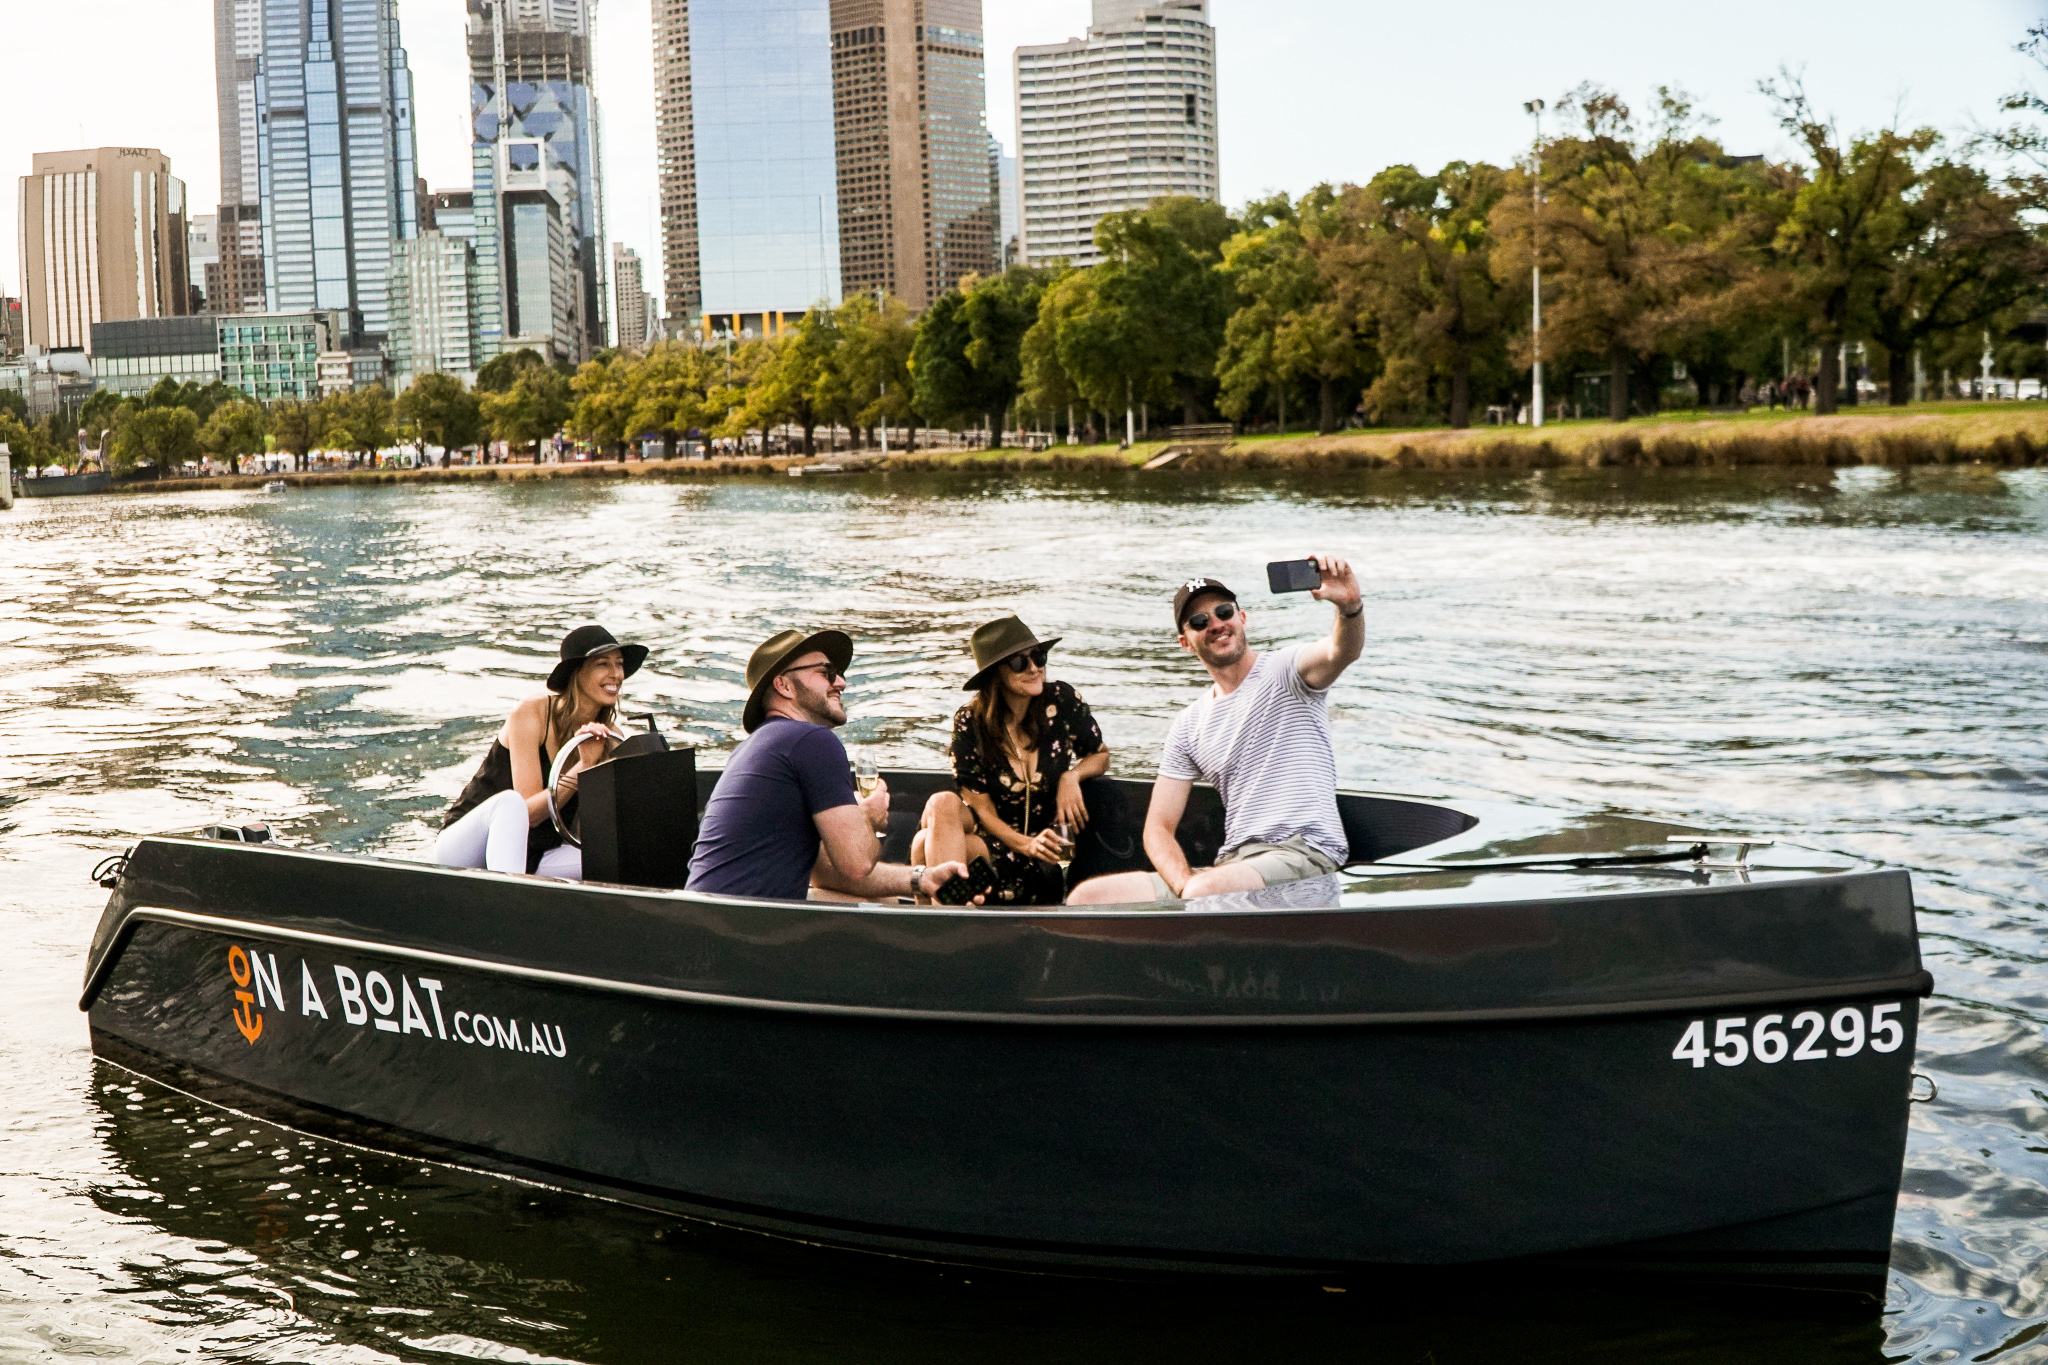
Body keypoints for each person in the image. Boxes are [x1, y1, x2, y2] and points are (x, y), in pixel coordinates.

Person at [1067, 556, 1363, 906]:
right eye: (1199, 620)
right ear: (1185, 642)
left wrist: (1349, 607)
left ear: (1242, 618)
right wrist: (1183, 885)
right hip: (1232, 867)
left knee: (1204, 890)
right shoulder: (1189, 725)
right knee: (1087, 897)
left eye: (1224, 612)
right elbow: (1158, 828)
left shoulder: (1288, 672)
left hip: (1304, 853)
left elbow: (1340, 651)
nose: (1216, 624)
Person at [685, 629, 975, 904]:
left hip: (709, 914)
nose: (841, 683)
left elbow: (825, 872)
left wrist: (922, 879)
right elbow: (857, 864)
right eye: (827, 673)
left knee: (882, 900)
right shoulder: (811, 740)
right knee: (885, 912)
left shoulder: (757, 746)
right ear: (784, 685)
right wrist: (869, 818)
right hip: (744, 928)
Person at [912, 616, 1110, 905]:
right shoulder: (970, 722)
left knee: (921, 844)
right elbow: (983, 811)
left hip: (1048, 859)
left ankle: (941, 928)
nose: (1034, 668)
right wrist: (1025, 844)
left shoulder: (1062, 701)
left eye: (1038, 657)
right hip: (1001, 847)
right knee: (941, 804)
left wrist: (1072, 776)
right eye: (1019, 662)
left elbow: (1100, 754)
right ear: (996, 674)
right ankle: (948, 920)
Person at [434, 624, 645, 879]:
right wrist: (583, 767)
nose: (616, 674)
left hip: (533, 856)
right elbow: (528, 815)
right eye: (603, 664)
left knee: (621, 858)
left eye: (619, 664)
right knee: (511, 803)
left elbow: (591, 827)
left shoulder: (610, 737)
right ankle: (510, 900)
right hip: (466, 849)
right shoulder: (532, 712)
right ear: (576, 673)